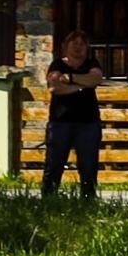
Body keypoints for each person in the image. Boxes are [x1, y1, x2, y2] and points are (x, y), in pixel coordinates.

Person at [41, 30, 104, 199]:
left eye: (82, 44)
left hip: (88, 123)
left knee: (88, 166)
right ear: (65, 46)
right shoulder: (57, 64)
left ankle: (88, 201)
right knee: (54, 164)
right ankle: (48, 200)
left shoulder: (91, 63)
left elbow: (96, 79)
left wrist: (69, 78)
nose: (78, 47)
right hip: (61, 123)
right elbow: (54, 86)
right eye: (74, 43)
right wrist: (82, 86)